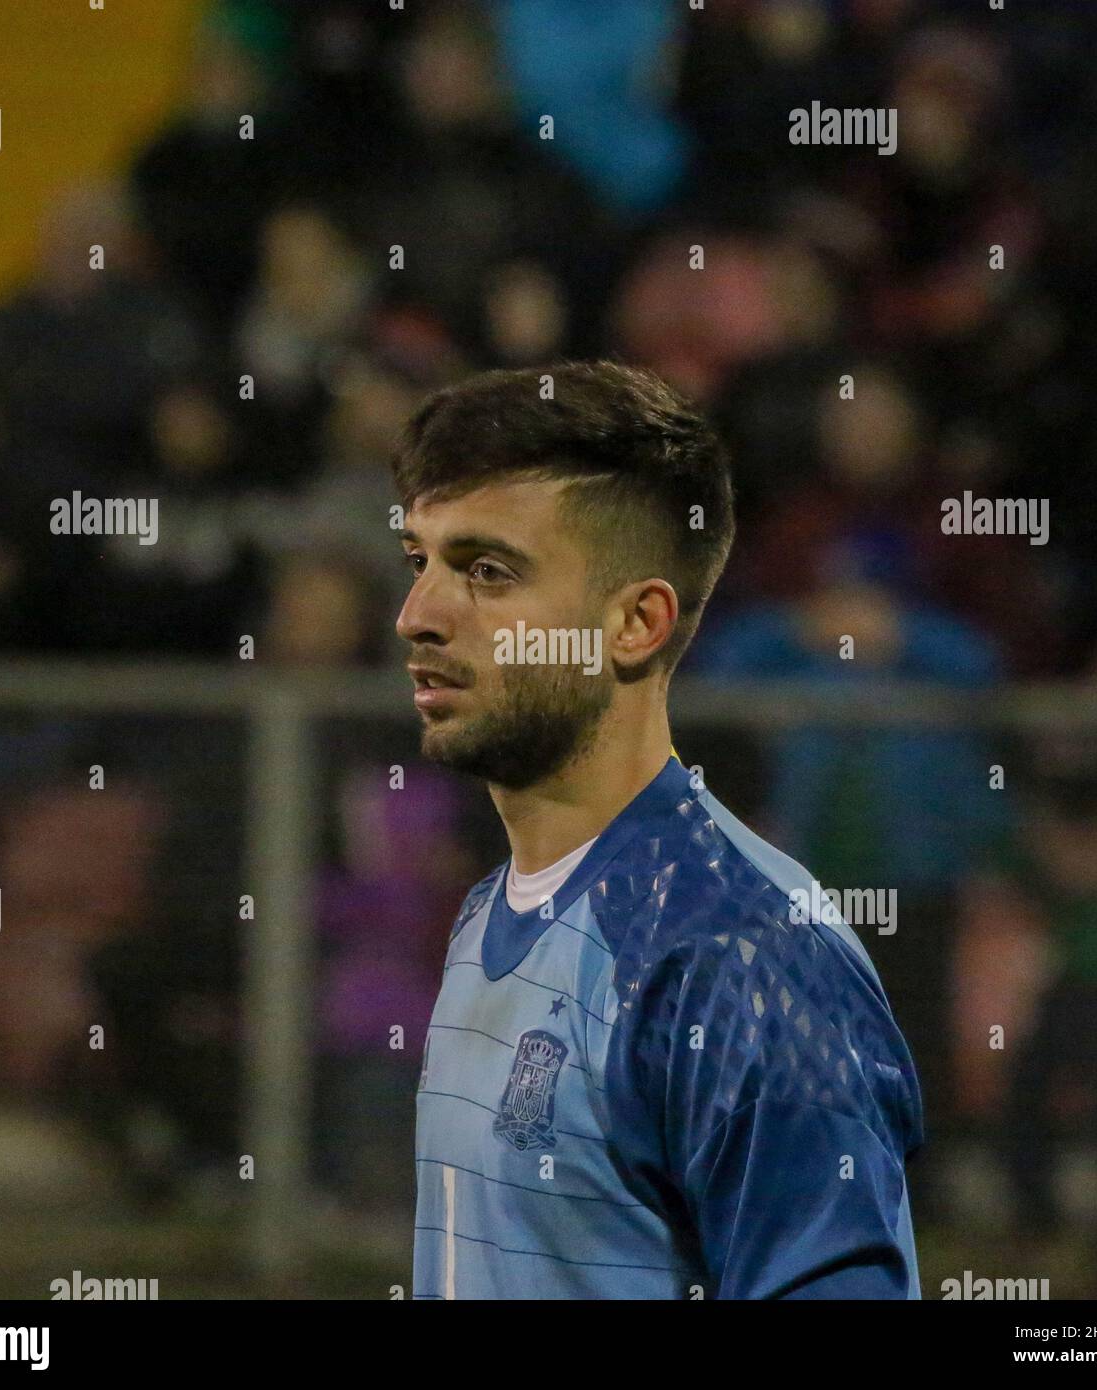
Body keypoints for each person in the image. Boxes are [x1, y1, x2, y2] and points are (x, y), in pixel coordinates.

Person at [393, 360, 924, 1299]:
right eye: (420, 562)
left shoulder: (743, 957)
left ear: (637, 623)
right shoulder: (489, 909)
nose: (419, 616)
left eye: (487, 571)